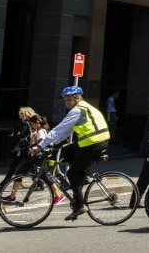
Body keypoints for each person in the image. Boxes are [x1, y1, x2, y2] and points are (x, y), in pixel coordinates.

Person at [32, 86, 110, 221]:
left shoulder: (77, 110)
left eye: (69, 99)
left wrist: (40, 145)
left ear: (77, 98)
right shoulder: (84, 107)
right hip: (95, 141)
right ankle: (82, 177)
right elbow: (66, 131)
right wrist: (52, 143)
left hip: (93, 142)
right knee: (66, 151)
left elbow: (60, 129)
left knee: (72, 173)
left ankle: (80, 205)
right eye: (64, 100)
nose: (66, 102)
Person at [0, 106, 38, 191]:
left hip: (24, 149)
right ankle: (40, 183)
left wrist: (16, 133)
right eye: (19, 113)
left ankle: (3, 184)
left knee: (15, 166)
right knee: (29, 166)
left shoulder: (26, 123)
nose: (19, 115)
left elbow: (21, 135)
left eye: (21, 113)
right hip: (25, 148)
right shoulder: (29, 123)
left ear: (26, 114)